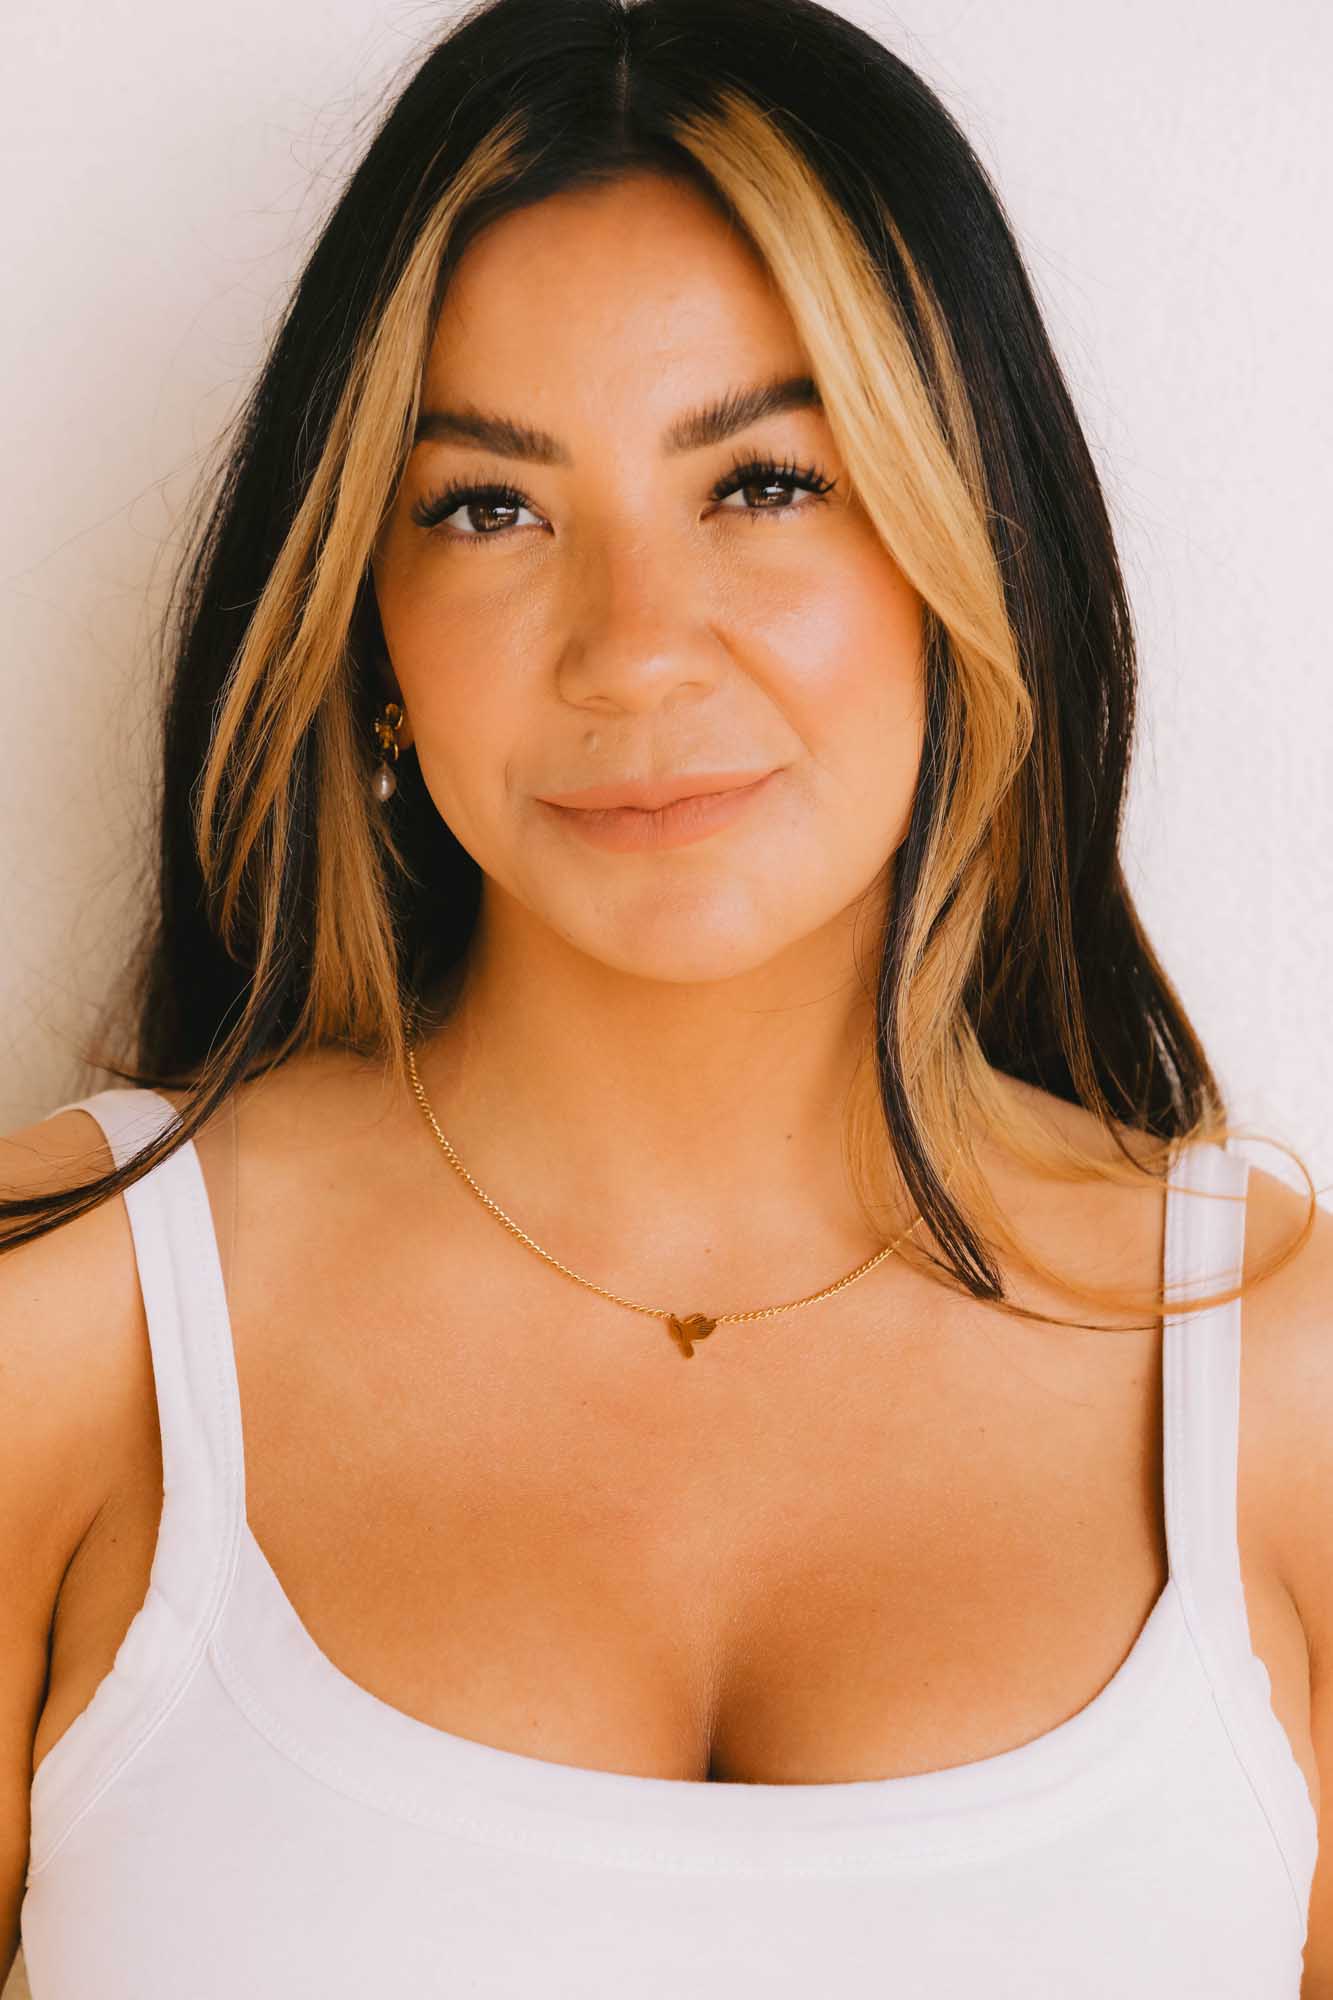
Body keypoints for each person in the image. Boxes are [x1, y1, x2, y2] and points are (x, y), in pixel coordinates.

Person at [1, 0, 1329, 1991]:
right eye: (487, 506)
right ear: (368, 635)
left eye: (764, 482)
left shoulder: (1281, 1385)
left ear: (972, 548)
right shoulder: (59, 1324)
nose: (633, 648)